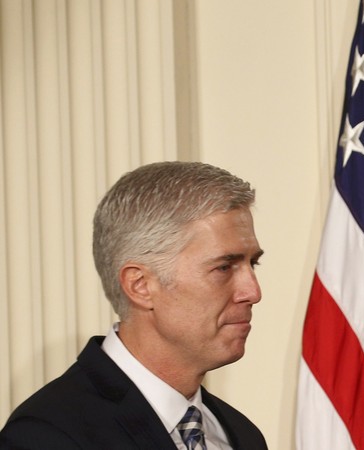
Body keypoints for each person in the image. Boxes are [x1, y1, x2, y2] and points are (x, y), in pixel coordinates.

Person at [0, 162, 268, 449]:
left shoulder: (242, 434)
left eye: (253, 263)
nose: (253, 292)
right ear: (140, 286)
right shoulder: (47, 436)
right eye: (225, 267)